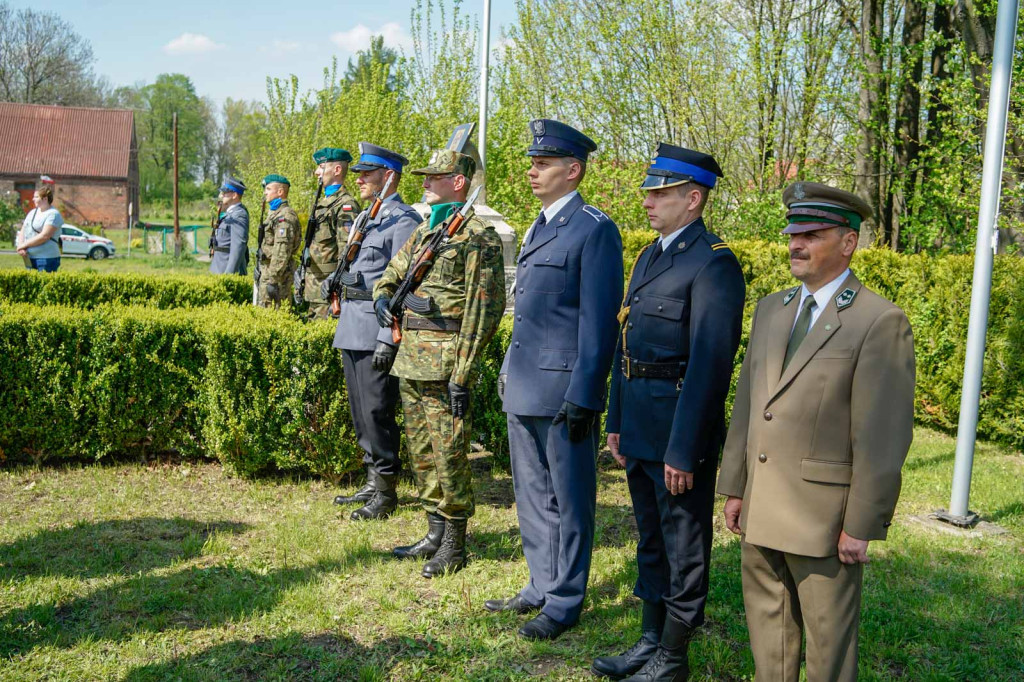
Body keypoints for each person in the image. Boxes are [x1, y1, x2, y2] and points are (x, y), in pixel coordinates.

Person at [717, 182, 916, 682]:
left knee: (828, 652)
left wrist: (861, 522)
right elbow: (748, 404)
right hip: (763, 506)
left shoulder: (877, 321)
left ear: (848, 242)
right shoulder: (772, 309)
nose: (795, 245)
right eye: (792, 234)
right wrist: (734, 486)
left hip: (822, 521)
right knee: (769, 641)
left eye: (811, 234)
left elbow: (882, 436)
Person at [592, 144, 745, 681]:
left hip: (678, 433)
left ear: (694, 199)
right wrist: (615, 418)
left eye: (660, 193)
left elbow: (709, 367)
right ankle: (650, 640)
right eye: (649, 191)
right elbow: (624, 342)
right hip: (638, 422)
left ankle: (673, 658)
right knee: (651, 540)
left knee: (684, 544)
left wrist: (684, 449)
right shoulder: (651, 255)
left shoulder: (714, 263)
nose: (648, 201)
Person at [489, 119, 624, 641]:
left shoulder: (594, 229)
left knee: (569, 500)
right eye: (533, 162)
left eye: (543, 163)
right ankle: (541, 584)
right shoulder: (540, 225)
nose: (532, 171)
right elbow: (526, 316)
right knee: (531, 494)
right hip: (525, 385)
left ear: (573, 169)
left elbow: (598, 322)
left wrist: (587, 395)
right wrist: (507, 373)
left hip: (565, 391)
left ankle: (566, 598)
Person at [373, 148, 505, 578]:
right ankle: (433, 530)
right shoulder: (429, 230)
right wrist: (382, 299)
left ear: (459, 182)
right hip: (410, 360)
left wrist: (462, 372)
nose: (425, 183)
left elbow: (483, 311)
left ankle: (454, 541)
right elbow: (392, 273)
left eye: (434, 176)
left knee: (449, 453)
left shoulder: (476, 236)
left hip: (446, 362)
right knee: (422, 452)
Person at [322, 143, 420, 520]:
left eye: (367, 173)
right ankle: (371, 479)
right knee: (361, 411)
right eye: (359, 173)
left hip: (374, 329)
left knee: (378, 410)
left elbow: (401, 286)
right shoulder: (367, 218)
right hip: (351, 324)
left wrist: (385, 337)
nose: (359, 178)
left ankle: (385, 490)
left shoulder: (403, 221)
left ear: (389, 176)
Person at [303, 148, 361, 319]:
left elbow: (347, 252)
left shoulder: (345, 205)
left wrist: (336, 285)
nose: (316, 172)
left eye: (321, 167)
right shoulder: (323, 203)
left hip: (327, 288)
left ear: (337, 170)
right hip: (314, 286)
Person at [256, 174, 301, 308]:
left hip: (278, 279)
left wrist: (273, 280)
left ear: (280, 192)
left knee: (275, 313)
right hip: (268, 273)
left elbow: (281, 252)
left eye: (269, 189)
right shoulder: (274, 214)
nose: (265, 192)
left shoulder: (284, 216)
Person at [17, 185, 63, 272]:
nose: (33, 199)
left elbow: (44, 236)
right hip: (30, 257)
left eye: (36, 197)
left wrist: (24, 245)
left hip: (46, 258)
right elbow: (24, 229)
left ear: (45, 199)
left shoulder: (53, 214)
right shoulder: (32, 212)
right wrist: (21, 247)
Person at [209, 177, 249, 276]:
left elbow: (238, 246)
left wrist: (229, 274)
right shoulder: (230, 213)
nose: (221, 195)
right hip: (219, 267)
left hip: (226, 270)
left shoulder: (239, 215)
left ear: (235, 195)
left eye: (224, 192)